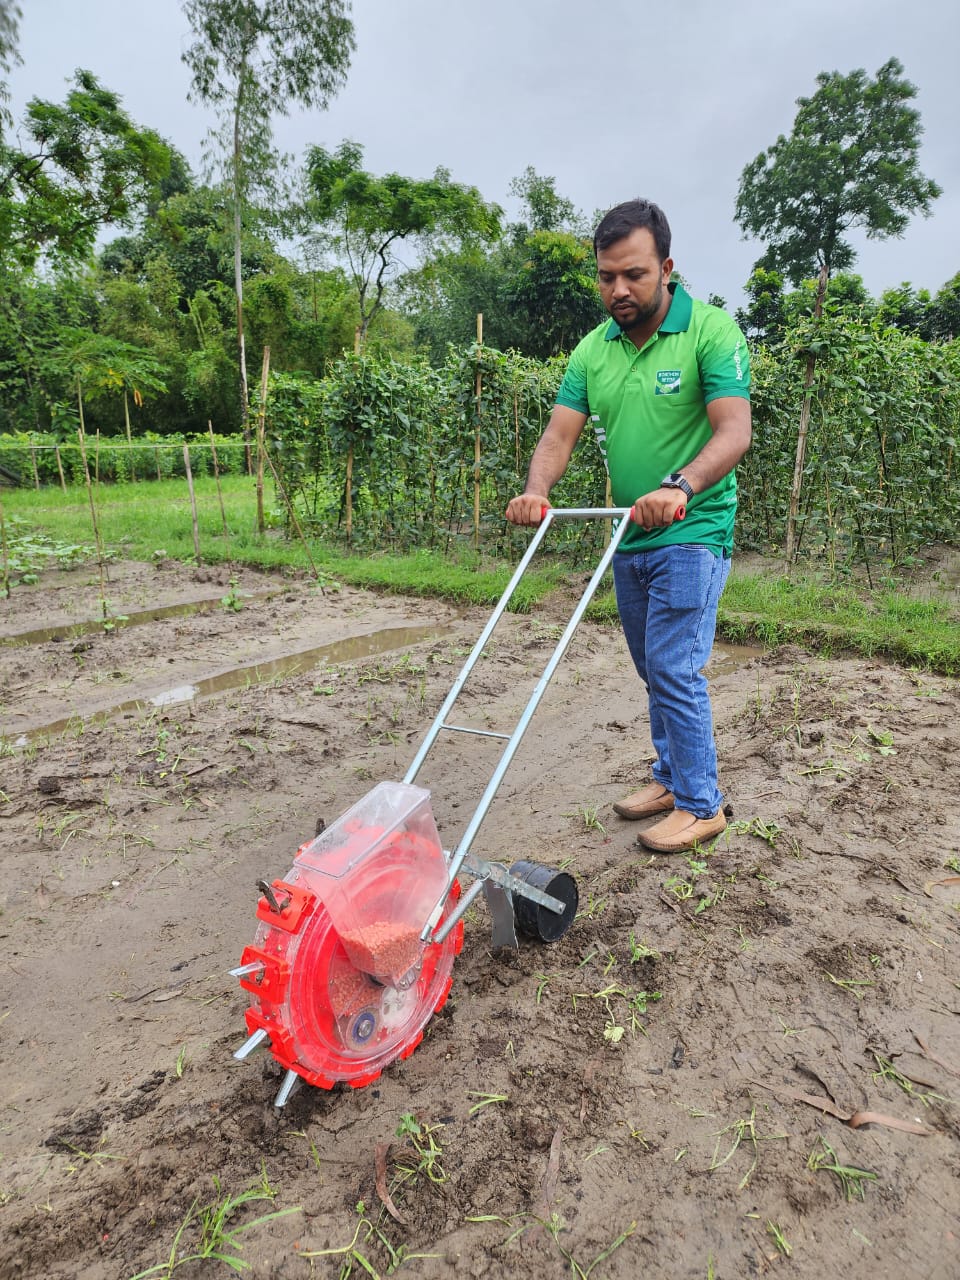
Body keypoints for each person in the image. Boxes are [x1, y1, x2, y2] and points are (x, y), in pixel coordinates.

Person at [505, 198, 751, 853]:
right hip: (629, 533)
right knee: (653, 668)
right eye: (607, 276)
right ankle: (672, 778)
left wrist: (681, 486)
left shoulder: (712, 333)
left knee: (675, 666)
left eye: (634, 274)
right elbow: (560, 435)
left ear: (666, 268)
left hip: (693, 527)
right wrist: (536, 490)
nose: (619, 289)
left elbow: (734, 430)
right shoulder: (594, 350)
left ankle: (703, 804)